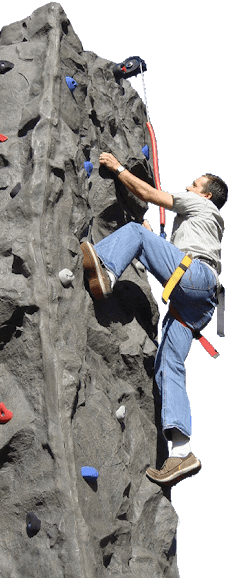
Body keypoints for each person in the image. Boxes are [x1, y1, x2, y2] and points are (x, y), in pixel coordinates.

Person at [81, 152, 226, 486]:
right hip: (199, 301)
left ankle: (106, 270)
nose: (189, 186)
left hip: (193, 279)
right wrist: (153, 238)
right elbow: (176, 251)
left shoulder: (201, 205)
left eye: (194, 184)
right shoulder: (205, 223)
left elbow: (149, 195)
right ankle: (181, 451)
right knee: (168, 365)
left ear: (204, 194)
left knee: (134, 231)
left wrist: (117, 169)